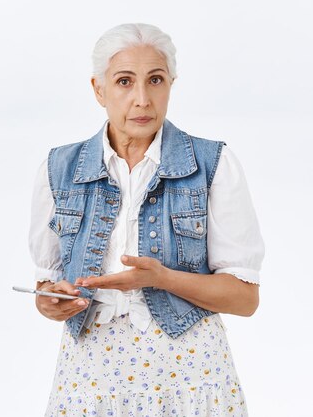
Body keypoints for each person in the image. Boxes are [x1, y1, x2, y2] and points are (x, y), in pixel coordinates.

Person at [29, 23, 264, 416]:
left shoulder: (212, 165)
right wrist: (50, 303)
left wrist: (160, 278)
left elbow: (245, 298)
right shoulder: (58, 169)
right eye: (124, 81)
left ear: (170, 83)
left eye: (155, 80)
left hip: (191, 378)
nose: (142, 99)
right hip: (90, 380)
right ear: (98, 89)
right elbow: (45, 288)